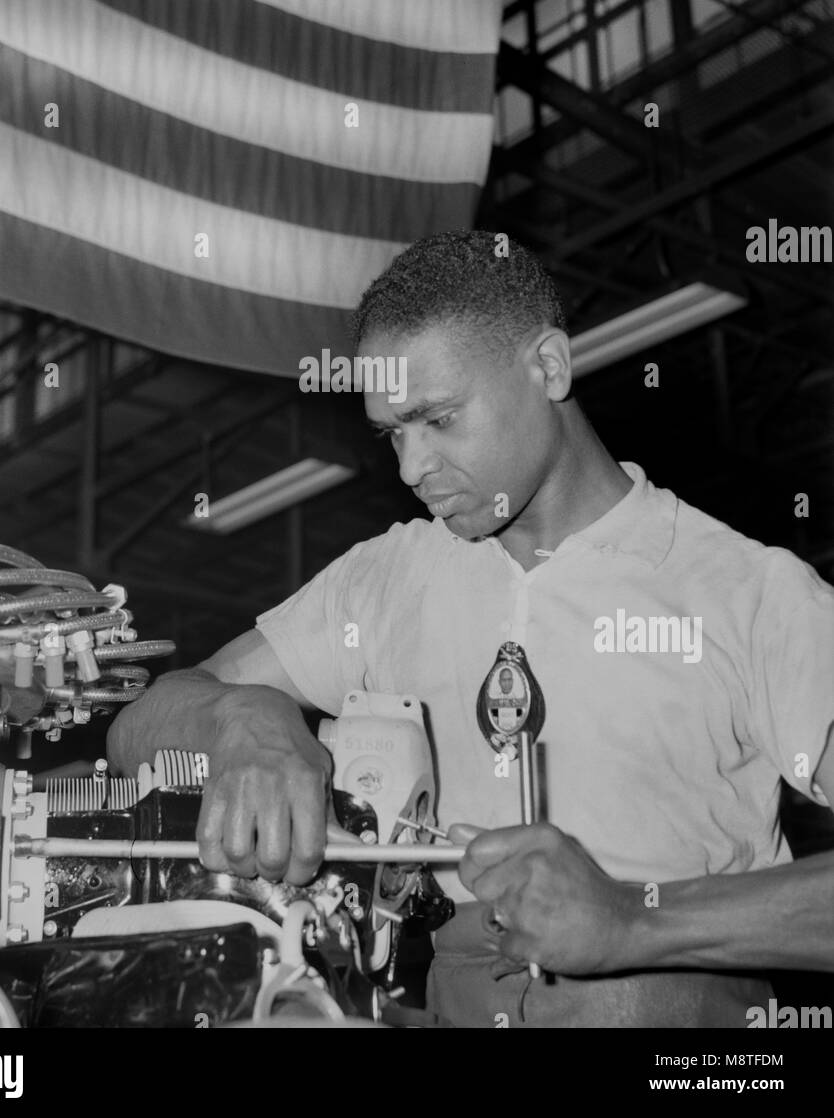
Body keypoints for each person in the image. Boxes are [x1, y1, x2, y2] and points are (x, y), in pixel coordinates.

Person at [108, 231, 834, 1027]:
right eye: (392, 432)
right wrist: (244, 720)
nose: (410, 467)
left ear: (549, 367)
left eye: (439, 419)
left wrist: (636, 919)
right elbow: (139, 725)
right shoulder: (383, 580)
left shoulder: (746, 593)